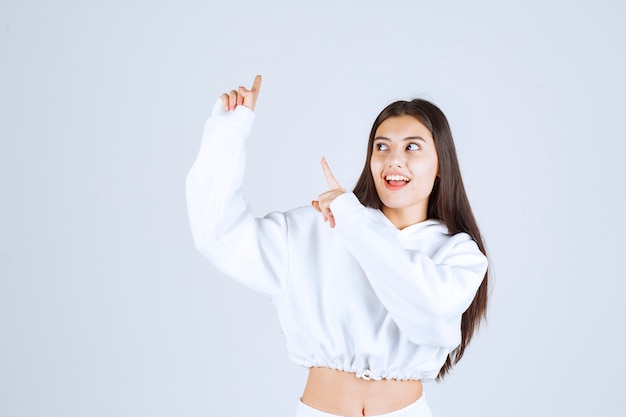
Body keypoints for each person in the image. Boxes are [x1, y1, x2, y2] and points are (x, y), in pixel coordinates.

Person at [186, 75, 489, 417]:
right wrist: (227, 133)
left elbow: (425, 309)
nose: (394, 160)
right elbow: (218, 234)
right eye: (382, 146)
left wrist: (354, 219)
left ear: (440, 166)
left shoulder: (460, 255)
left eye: (413, 147)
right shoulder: (315, 230)